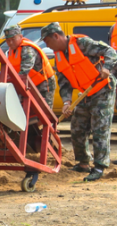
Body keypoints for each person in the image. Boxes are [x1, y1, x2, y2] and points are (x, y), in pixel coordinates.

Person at [40, 22, 116, 182]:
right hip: (86, 93)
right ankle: (83, 163)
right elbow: (64, 83)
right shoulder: (59, 56)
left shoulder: (82, 43)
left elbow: (110, 51)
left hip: (102, 89)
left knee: (100, 128)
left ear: (56, 36)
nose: (48, 46)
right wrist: (67, 102)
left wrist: (107, 67)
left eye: (47, 42)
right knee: (77, 127)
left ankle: (99, 167)